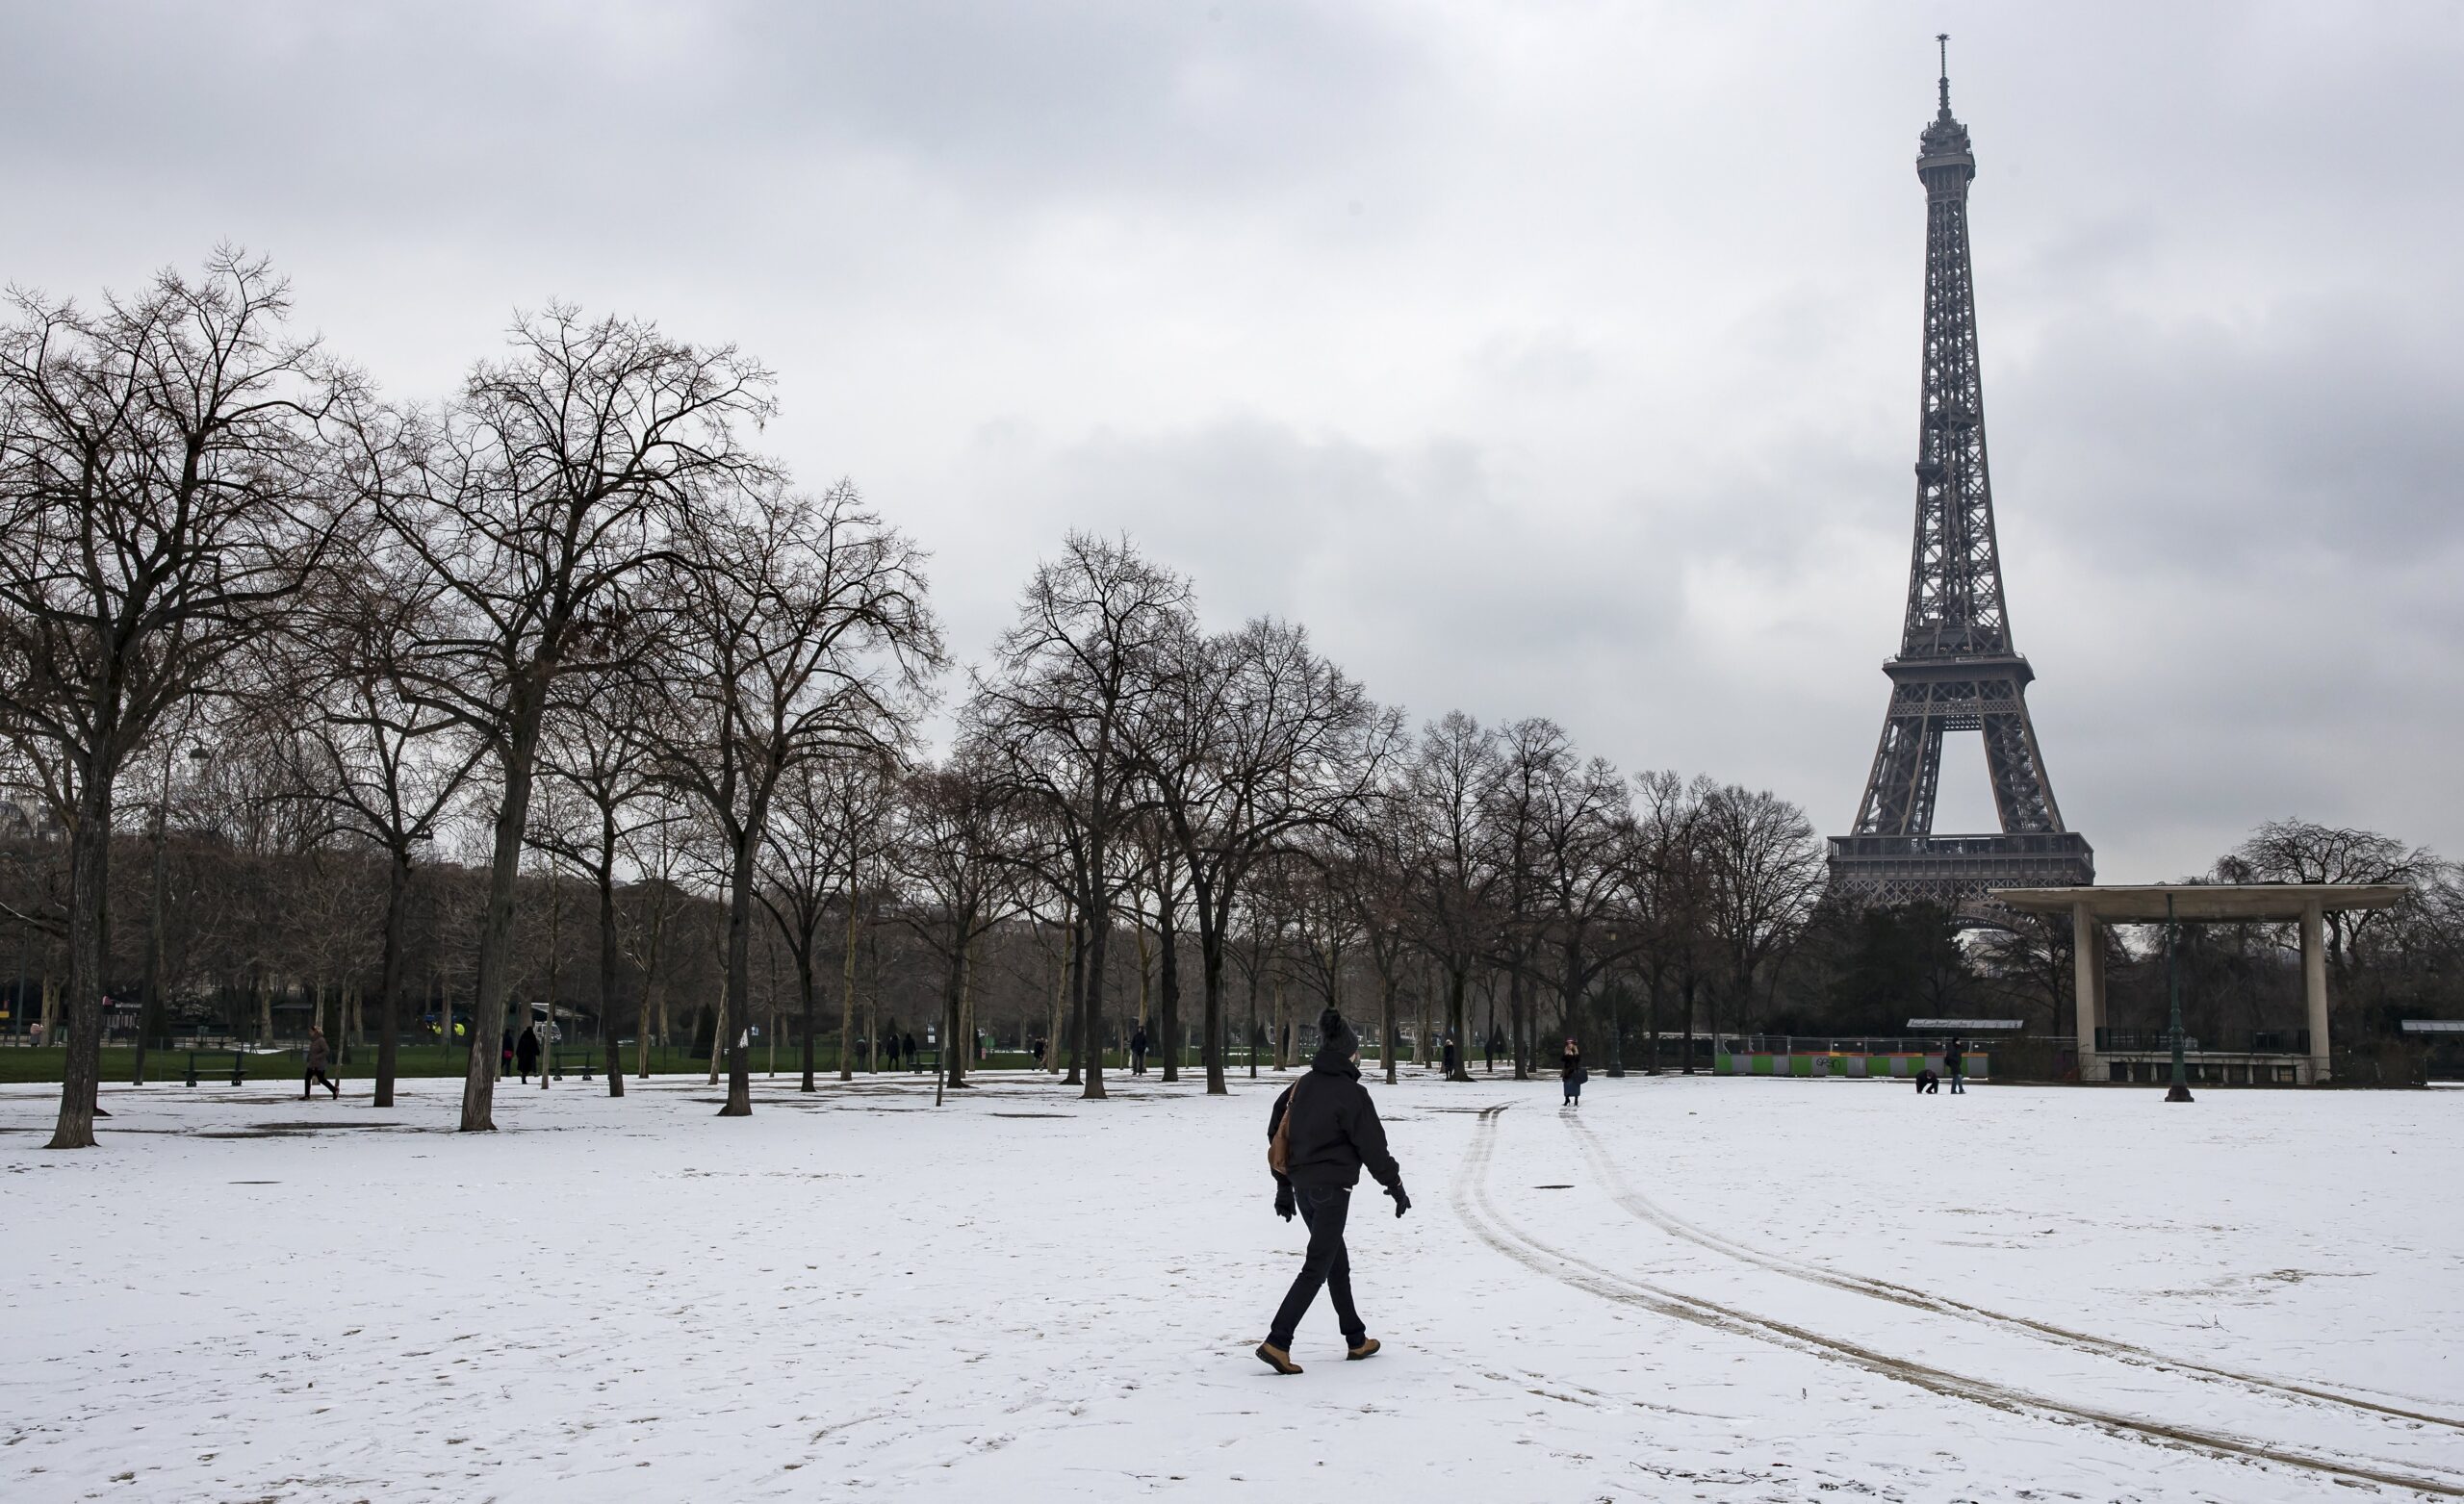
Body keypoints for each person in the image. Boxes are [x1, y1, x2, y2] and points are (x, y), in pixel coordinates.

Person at [1257, 1008, 1408, 1375]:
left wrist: (1284, 1188)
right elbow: (1373, 1148)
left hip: (1305, 1190)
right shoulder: (1351, 1094)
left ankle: (1355, 1339)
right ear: (1348, 1054)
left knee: (1335, 1263)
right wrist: (1395, 1186)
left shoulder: (1300, 1086)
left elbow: (1278, 1134)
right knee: (1316, 1267)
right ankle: (1278, 1341)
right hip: (1331, 1191)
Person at [303, 1026, 340, 1099]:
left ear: (315, 1032)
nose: (310, 1033)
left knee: (321, 1079)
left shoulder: (321, 1040)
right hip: (312, 1063)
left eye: (311, 1031)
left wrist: (317, 1056)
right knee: (307, 1078)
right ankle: (307, 1095)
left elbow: (327, 1050)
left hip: (319, 1064)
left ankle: (334, 1089)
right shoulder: (313, 1041)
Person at [1560, 1038, 1586, 1107]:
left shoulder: (1576, 1051)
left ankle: (1576, 1099)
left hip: (1574, 1071)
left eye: (1570, 1044)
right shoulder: (1566, 1051)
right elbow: (1562, 1059)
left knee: (1575, 1085)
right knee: (1566, 1085)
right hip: (1567, 1071)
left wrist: (1573, 1054)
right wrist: (1566, 1054)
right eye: (1568, 1044)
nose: (1569, 1045)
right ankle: (1567, 1099)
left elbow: (1578, 1060)